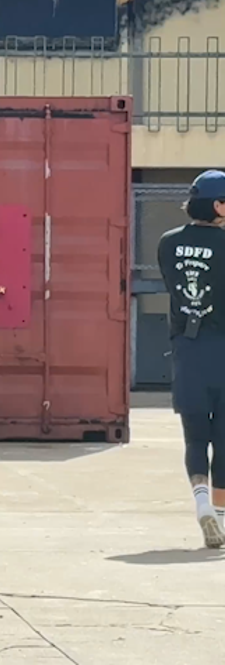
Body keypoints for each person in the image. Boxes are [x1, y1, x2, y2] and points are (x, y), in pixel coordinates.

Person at [157, 169, 225, 550]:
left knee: (195, 437)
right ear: (218, 206)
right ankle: (221, 515)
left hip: (188, 349)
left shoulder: (168, 244)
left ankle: (203, 505)